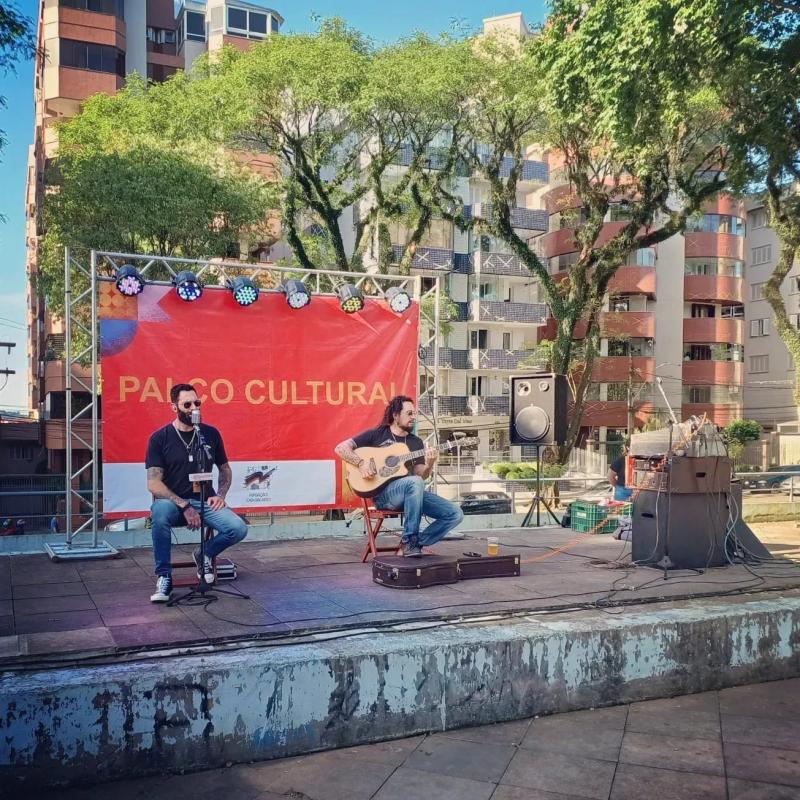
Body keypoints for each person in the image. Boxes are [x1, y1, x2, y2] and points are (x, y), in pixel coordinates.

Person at [145, 383, 247, 602]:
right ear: (174, 407)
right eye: (187, 404)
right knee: (159, 514)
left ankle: (205, 553)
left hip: (204, 500)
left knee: (238, 528)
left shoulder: (209, 434)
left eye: (197, 403)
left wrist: (220, 495)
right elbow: (153, 483)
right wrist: (184, 505)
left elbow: (225, 469)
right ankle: (164, 577)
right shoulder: (160, 438)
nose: (194, 408)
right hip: (174, 503)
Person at [335, 395, 463, 557]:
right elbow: (341, 448)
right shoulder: (377, 434)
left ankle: (413, 543)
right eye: (409, 413)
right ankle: (409, 541)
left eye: (414, 413)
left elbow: (420, 476)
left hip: (411, 493)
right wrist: (361, 463)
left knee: (455, 513)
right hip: (384, 495)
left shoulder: (416, 442)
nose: (413, 417)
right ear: (395, 415)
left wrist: (430, 463)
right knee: (414, 482)